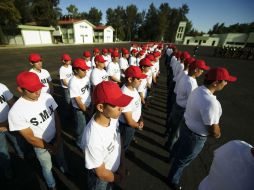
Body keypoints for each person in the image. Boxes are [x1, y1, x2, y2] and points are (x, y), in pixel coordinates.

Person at [167, 67, 237, 190]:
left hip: (187, 127)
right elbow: (214, 130)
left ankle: (170, 158)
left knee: (178, 147)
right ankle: (172, 179)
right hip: (195, 136)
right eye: (224, 81)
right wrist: (218, 134)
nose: (226, 83)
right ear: (216, 83)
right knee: (183, 160)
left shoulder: (198, 89)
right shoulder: (211, 103)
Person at [8, 71, 69, 190]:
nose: (37, 92)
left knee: (61, 158)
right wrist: (51, 147)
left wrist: (58, 138)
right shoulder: (16, 112)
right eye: (32, 89)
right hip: (40, 146)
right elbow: (30, 137)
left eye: (38, 87)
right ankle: (52, 185)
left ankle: (65, 170)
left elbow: (55, 117)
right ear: (20, 89)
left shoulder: (46, 97)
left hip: (56, 138)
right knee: (47, 167)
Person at [81, 81, 133, 190]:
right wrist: (118, 178)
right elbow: (101, 173)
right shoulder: (93, 138)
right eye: (116, 105)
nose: (122, 108)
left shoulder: (112, 118)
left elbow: (118, 140)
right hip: (100, 180)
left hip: (113, 171)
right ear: (100, 107)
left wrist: (121, 165)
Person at [165, 59, 209, 152]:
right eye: (201, 69)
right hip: (182, 109)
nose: (202, 72)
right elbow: (192, 100)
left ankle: (168, 143)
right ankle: (170, 147)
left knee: (173, 127)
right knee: (177, 131)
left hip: (177, 104)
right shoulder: (192, 83)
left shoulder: (185, 76)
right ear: (195, 70)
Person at [0, 83, 24, 180]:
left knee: (16, 141)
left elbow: (12, 103)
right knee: (2, 150)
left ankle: (22, 156)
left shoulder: (1, 86)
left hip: (9, 123)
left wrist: (9, 121)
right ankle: (7, 168)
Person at [119, 66, 146, 151]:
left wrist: (140, 119)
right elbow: (129, 121)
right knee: (123, 147)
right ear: (130, 79)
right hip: (127, 127)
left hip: (133, 124)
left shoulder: (133, 88)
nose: (140, 81)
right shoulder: (125, 95)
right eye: (138, 79)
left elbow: (137, 106)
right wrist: (138, 126)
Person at [68, 58, 91, 148]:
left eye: (85, 69)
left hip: (88, 106)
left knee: (88, 125)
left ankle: (85, 139)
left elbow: (89, 91)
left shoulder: (86, 78)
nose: (85, 71)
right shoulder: (73, 82)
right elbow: (78, 101)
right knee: (81, 127)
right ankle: (79, 142)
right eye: (83, 69)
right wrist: (86, 110)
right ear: (75, 70)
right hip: (80, 109)